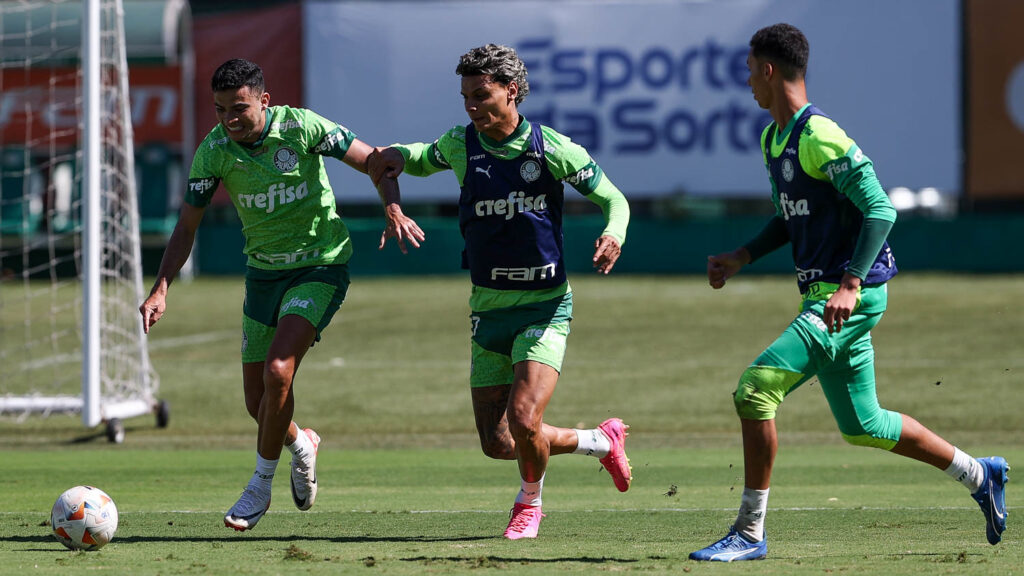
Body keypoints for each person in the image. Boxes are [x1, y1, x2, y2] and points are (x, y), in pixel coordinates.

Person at [690, 23, 1009, 562]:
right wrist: (742, 256)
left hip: (846, 300)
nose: (748, 82)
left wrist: (851, 284)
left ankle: (748, 533)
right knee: (865, 425)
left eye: (750, 71)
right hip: (825, 299)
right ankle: (981, 473)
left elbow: (881, 209)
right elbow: (792, 217)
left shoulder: (820, 136)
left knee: (755, 390)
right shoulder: (775, 139)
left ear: (769, 70)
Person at [139, 58, 423, 532]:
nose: (230, 119)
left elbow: (374, 159)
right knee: (260, 405)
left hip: (320, 267)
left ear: (264, 101)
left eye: (240, 109)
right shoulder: (213, 152)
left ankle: (257, 487)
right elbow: (187, 225)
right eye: (220, 110)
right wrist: (161, 288)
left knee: (277, 370)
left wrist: (392, 206)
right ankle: (302, 445)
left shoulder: (301, 127)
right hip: (262, 277)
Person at [368, 44, 633, 540]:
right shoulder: (461, 145)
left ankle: (528, 504)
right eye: (465, 97)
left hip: (544, 307)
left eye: (482, 96)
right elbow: (406, 159)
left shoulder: (549, 147)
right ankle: (599, 440)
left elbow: (613, 198)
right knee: (500, 440)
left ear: (512, 91)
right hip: (487, 310)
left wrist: (613, 232)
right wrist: (392, 177)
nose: (471, 107)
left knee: (524, 415)